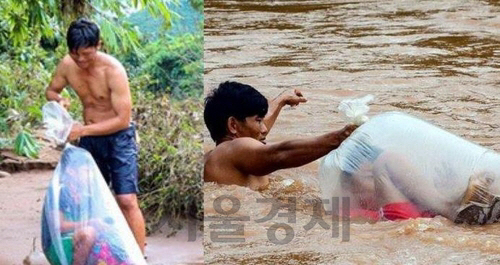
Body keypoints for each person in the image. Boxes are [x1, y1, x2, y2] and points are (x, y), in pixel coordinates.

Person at [45, 18, 145, 253]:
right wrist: (59, 99)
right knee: (90, 201)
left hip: (119, 139)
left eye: (86, 54)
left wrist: (82, 130)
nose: (81, 60)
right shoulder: (67, 65)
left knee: (127, 200)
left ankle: (139, 255)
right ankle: (99, 251)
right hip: (90, 140)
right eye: (75, 53)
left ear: (98, 44)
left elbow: (122, 119)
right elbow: (51, 90)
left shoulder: (113, 70)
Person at [203, 81, 357, 190]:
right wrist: (342, 136)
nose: (264, 129)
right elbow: (280, 154)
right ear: (233, 125)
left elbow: (257, 132)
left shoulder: (226, 153)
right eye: (258, 121)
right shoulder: (231, 150)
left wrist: (281, 100)